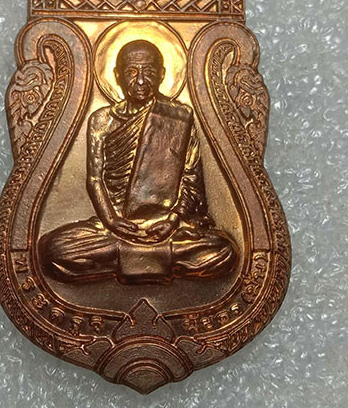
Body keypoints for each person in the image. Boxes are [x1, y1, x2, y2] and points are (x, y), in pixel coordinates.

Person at [40, 40, 237, 284]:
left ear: (162, 74)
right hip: (114, 227)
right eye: (132, 72)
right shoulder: (101, 120)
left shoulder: (179, 116)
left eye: (149, 72)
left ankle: (123, 257)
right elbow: (95, 179)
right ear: (118, 76)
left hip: (166, 226)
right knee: (53, 251)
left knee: (223, 252)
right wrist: (111, 221)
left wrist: (172, 220)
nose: (141, 81)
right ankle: (152, 257)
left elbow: (191, 179)